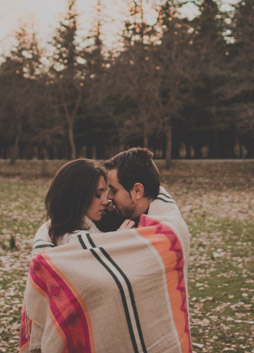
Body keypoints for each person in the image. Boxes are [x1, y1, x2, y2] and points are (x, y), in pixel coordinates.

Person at [20, 148, 192, 353]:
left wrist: (117, 241)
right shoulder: (58, 236)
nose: (107, 199)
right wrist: (116, 242)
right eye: (99, 194)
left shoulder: (161, 230)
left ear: (138, 191)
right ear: (79, 198)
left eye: (112, 191)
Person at [31, 159, 109, 250]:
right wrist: (122, 237)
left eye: (105, 193)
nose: (106, 201)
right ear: (76, 196)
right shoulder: (74, 241)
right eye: (98, 195)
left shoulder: (48, 229)